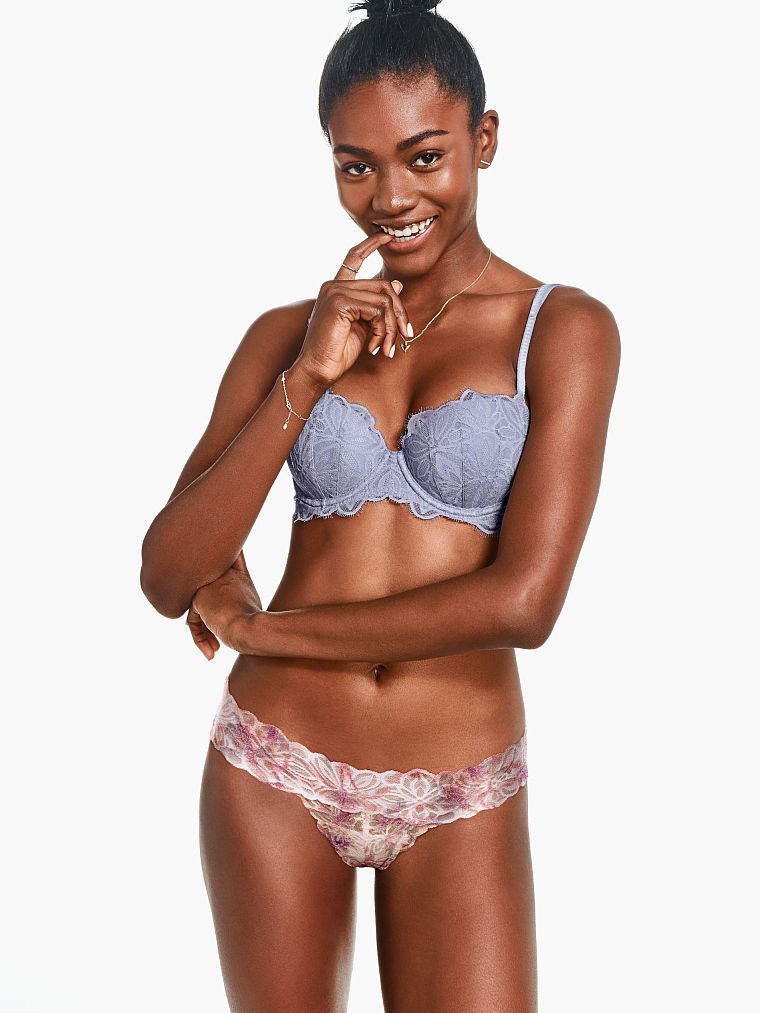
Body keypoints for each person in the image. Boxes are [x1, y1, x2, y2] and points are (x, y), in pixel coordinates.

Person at [140, 0, 620, 1008]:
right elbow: (168, 570)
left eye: (424, 156)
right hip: (275, 764)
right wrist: (307, 377)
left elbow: (525, 602)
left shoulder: (562, 330)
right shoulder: (287, 333)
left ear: (485, 139)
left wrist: (265, 629)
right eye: (355, 165)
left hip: (460, 785)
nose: (390, 197)